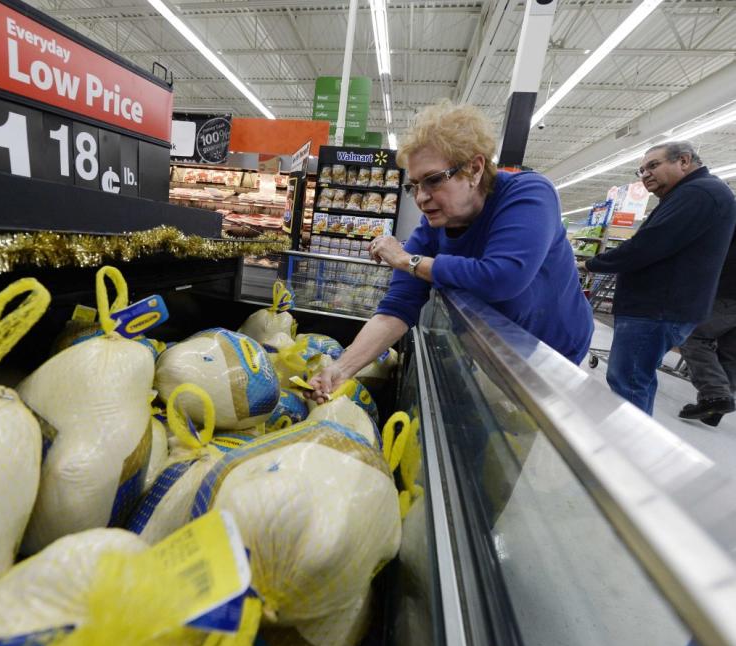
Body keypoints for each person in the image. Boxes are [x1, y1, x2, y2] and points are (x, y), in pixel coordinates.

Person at [307, 99, 593, 403]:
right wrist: (342, 368)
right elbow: (398, 308)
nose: (421, 198)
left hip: (553, 350)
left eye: (432, 180)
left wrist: (408, 260)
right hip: (494, 346)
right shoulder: (434, 226)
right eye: (414, 185)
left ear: (474, 168)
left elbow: (503, 277)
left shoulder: (529, 194)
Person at [585, 141, 736, 415]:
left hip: (656, 308)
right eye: (641, 170)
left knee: (628, 381)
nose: (645, 175)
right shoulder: (693, 193)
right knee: (634, 378)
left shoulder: (699, 193)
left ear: (684, 161)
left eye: (653, 165)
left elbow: (648, 244)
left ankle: (629, 451)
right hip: (660, 306)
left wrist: (592, 264)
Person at [678, 231, 736, 426]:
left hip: (728, 292)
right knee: (730, 353)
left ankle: (715, 395)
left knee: (692, 336)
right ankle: (714, 408)